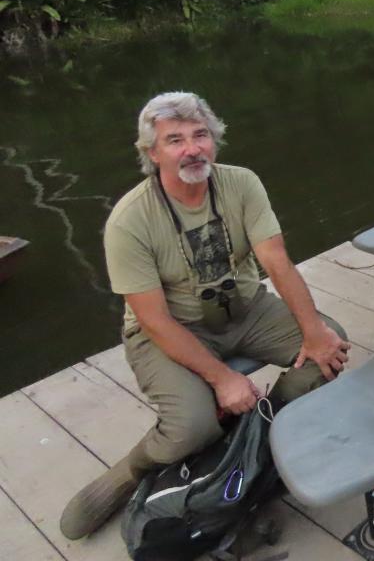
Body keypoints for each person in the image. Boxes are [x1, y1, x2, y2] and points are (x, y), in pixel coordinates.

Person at [60, 92, 350, 541]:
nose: (192, 149)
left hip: (248, 309)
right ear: (151, 153)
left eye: (201, 135)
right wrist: (222, 379)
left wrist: (314, 333)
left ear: (214, 141)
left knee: (330, 347)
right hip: (172, 329)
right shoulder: (129, 220)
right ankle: (129, 474)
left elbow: (275, 260)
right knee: (191, 428)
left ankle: (261, 433)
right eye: (174, 140)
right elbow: (154, 320)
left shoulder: (241, 183)